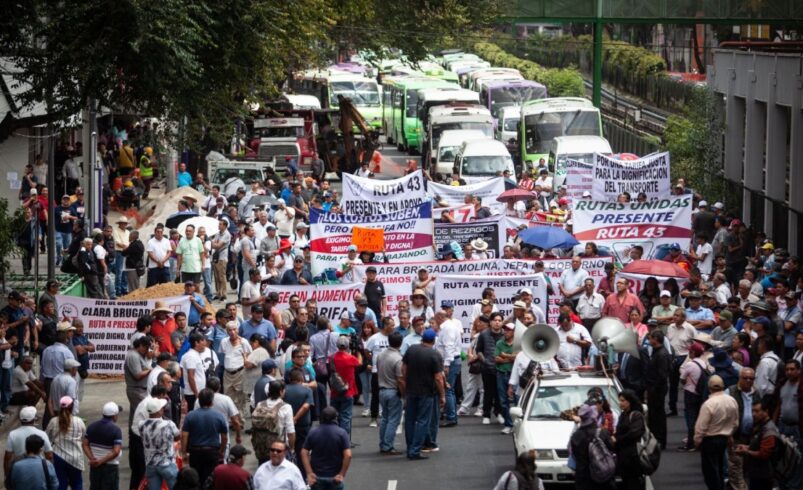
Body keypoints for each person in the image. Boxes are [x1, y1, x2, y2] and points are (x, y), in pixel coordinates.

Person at [402, 329, 445, 460]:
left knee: (409, 420)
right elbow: (438, 378)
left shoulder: (412, 350)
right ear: (433, 340)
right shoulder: (434, 355)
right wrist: (442, 395)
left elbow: (404, 368)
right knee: (422, 421)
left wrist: (406, 381)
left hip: (411, 390)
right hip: (426, 392)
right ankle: (415, 450)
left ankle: (410, 447)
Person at [692, 374, 738, 490]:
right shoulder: (732, 400)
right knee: (721, 467)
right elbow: (735, 422)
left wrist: (697, 441)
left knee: (710, 471)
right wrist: (730, 434)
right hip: (724, 438)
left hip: (710, 439)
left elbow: (701, 426)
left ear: (709, 387)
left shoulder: (709, 404)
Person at [181, 388, 228, 485]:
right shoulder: (219, 416)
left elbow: (184, 436)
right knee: (210, 480)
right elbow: (224, 437)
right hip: (212, 452)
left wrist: (184, 452)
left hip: (195, 452)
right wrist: (222, 451)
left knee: (196, 479)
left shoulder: (190, 416)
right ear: (211, 401)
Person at [300, 406, 352, 490]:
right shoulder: (341, 433)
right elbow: (348, 455)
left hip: (317, 477)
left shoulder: (313, 432)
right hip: (335, 477)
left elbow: (303, 452)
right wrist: (342, 474)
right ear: (335, 418)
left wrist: (309, 473)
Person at [735, 398, 780, 490]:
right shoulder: (761, 426)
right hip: (757, 473)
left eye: (757, 411)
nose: (753, 414)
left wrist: (746, 451)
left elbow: (764, 454)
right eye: (752, 411)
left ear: (766, 411)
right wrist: (747, 447)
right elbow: (759, 446)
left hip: (764, 476)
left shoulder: (769, 430)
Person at [140, 396, 180, 490]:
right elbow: (177, 437)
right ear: (159, 411)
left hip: (150, 464)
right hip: (167, 463)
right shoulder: (169, 424)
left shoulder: (141, 425)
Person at [570, 404, 615, 489]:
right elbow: (612, 448)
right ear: (594, 418)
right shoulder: (602, 433)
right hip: (601, 476)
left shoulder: (575, 436)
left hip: (582, 477)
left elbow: (573, 453)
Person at [251, 380, 295, 466]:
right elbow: (291, 432)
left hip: (261, 447)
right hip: (278, 449)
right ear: (281, 392)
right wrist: (292, 448)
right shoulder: (286, 407)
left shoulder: (260, 404)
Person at [45, 396, 85, 490]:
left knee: (61, 484)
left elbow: (47, 438)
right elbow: (84, 438)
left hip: (58, 458)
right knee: (77, 483)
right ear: (72, 406)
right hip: (75, 458)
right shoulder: (79, 421)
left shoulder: (53, 421)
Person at [726, 367, 757, 490]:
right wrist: (729, 435)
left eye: (751, 378)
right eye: (745, 378)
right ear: (739, 378)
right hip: (736, 437)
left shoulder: (757, 392)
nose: (748, 381)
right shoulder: (730, 392)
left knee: (747, 469)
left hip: (751, 437)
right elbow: (726, 416)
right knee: (735, 469)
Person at [81, 402, 123, 489]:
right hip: (110, 467)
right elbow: (116, 451)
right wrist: (101, 461)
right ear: (114, 416)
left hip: (95, 467)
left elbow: (85, 445)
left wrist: (92, 459)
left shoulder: (91, 426)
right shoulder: (116, 429)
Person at [376, 332, 404, 454]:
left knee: (385, 418)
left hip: (382, 389)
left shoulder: (381, 355)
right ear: (400, 343)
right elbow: (400, 379)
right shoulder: (398, 359)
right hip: (393, 391)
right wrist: (404, 394)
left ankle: (383, 443)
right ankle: (387, 445)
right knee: (393, 420)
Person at [4, 406, 53, 474]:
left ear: (20, 419)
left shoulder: (12, 434)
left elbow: (7, 458)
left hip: (19, 470)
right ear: (34, 419)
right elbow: (49, 456)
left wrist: (7, 476)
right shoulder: (42, 434)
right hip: (38, 470)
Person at [613, 389, 646, 490]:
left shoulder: (636, 415)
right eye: (620, 400)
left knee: (633, 483)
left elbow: (634, 433)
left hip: (633, 457)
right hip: (623, 457)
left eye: (623, 401)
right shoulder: (623, 415)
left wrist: (618, 439)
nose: (620, 403)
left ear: (630, 401)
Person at [678, 342, 708, 451]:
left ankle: (690, 443)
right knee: (699, 417)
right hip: (701, 393)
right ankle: (699, 441)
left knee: (691, 418)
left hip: (690, 393)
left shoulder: (690, 364)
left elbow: (682, 378)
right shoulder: (704, 363)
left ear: (693, 352)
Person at [283, 368, 314, 471]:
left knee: (288, 450)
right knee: (302, 450)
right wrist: (295, 418)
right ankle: (302, 474)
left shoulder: (283, 390)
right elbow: (306, 406)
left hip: (286, 426)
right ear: (301, 378)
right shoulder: (307, 390)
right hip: (302, 425)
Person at [330, 336, 361, 438]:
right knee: (346, 416)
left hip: (335, 390)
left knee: (335, 416)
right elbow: (359, 363)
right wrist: (358, 352)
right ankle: (343, 438)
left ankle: (334, 436)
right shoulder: (351, 358)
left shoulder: (332, 357)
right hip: (348, 391)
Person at [645, 330, 671, 449]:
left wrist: (654, 389)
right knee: (654, 415)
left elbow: (662, 375)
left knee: (658, 415)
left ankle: (660, 440)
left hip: (657, 390)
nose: (648, 340)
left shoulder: (661, 354)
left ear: (655, 339)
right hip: (654, 388)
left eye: (650, 338)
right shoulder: (657, 353)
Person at [221, 321, 253, 417]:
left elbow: (249, 356)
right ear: (227, 331)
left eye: (234, 329)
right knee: (228, 397)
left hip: (240, 373)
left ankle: (240, 419)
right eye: (230, 330)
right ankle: (231, 419)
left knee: (240, 397)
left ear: (238, 330)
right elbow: (224, 353)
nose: (232, 332)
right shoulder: (224, 342)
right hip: (227, 374)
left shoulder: (244, 342)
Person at [180, 332, 219, 410]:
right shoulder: (191, 356)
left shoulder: (194, 354)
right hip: (193, 393)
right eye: (203, 340)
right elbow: (191, 377)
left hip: (197, 392)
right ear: (196, 343)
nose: (205, 343)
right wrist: (196, 394)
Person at [495, 323, 516, 434]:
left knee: (517, 401)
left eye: (509, 330)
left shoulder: (518, 344)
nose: (506, 332)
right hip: (502, 373)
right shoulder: (499, 343)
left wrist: (505, 356)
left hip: (515, 374)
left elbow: (518, 357)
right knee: (503, 401)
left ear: (514, 332)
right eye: (505, 330)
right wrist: (511, 358)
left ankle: (517, 425)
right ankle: (508, 424)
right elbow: (497, 359)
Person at [125, 336, 153, 421]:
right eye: (146, 348)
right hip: (136, 390)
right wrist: (150, 371)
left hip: (140, 389)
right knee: (143, 414)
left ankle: (133, 433)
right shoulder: (133, 356)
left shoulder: (139, 355)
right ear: (141, 345)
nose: (146, 350)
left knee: (135, 415)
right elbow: (138, 375)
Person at [775, 359, 803, 443]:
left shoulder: (801, 387)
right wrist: (773, 423)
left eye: (792, 369)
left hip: (798, 427)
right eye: (787, 369)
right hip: (782, 425)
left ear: (799, 370)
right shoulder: (782, 384)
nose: (789, 372)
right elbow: (778, 405)